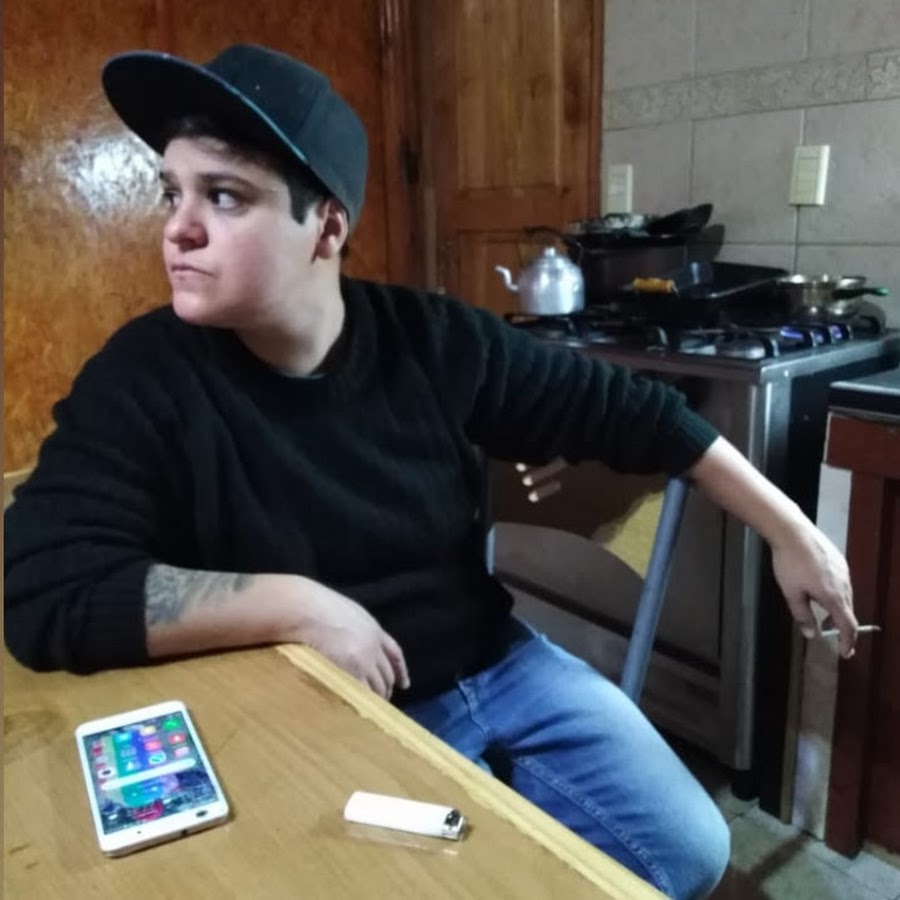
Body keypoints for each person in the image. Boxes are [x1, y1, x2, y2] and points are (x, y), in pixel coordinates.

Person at [3, 44, 858, 900]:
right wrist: (295, 605)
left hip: (495, 662)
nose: (178, 228)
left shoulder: (434, 339)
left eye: (223, 196)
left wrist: (792, 530)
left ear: (326, 227)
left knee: (689, 854)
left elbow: (642, 416)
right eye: (173, 193)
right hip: (316, 698)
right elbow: (43, 589)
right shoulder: (143, 376)